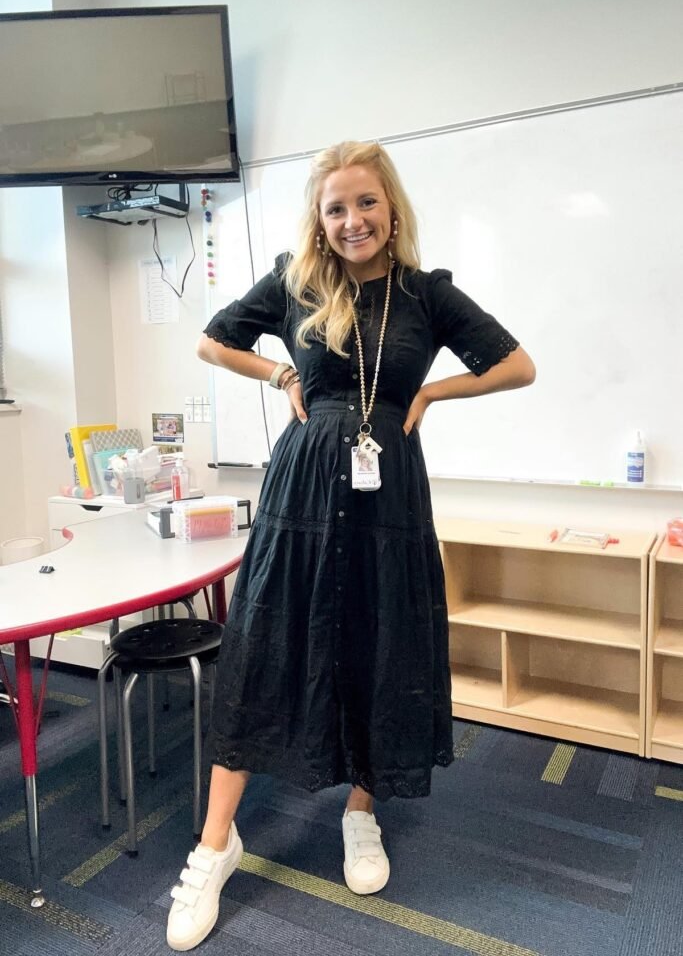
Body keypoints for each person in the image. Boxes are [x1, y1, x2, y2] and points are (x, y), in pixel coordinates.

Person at [166, 141, 535, 951]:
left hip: (388, 494)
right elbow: (210, 341)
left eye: (364, 203)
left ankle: (359, 812)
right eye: (335, 208)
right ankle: (214, 843)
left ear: (389, 209)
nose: (351, 220)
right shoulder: (297, 283)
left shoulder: (427, 296)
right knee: (266, 648)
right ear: (319, 219)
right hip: (298, 494)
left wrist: (432, 389)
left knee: (380, 646)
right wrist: (276, 377)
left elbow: (516, 365)